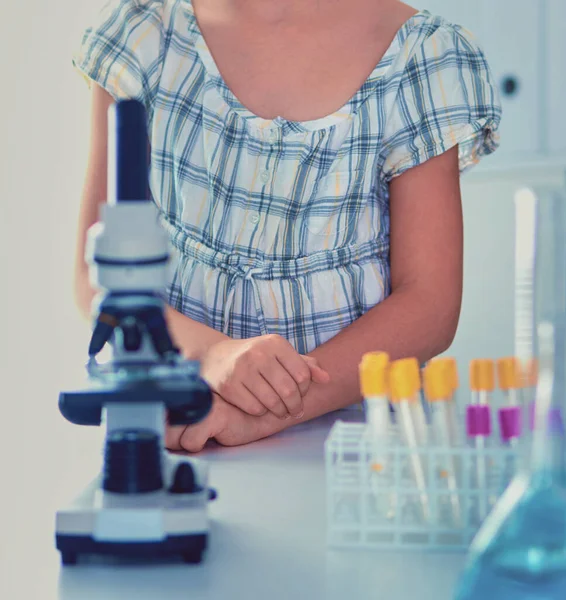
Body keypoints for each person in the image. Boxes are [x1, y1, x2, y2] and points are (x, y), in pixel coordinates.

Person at [73, 0, 502, 452]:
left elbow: (429, 307)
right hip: (178, 431)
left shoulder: (425, 56)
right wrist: (211, 354)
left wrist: (265, 410)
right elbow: (96, 277)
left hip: (358, 450)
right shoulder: (146, 30)